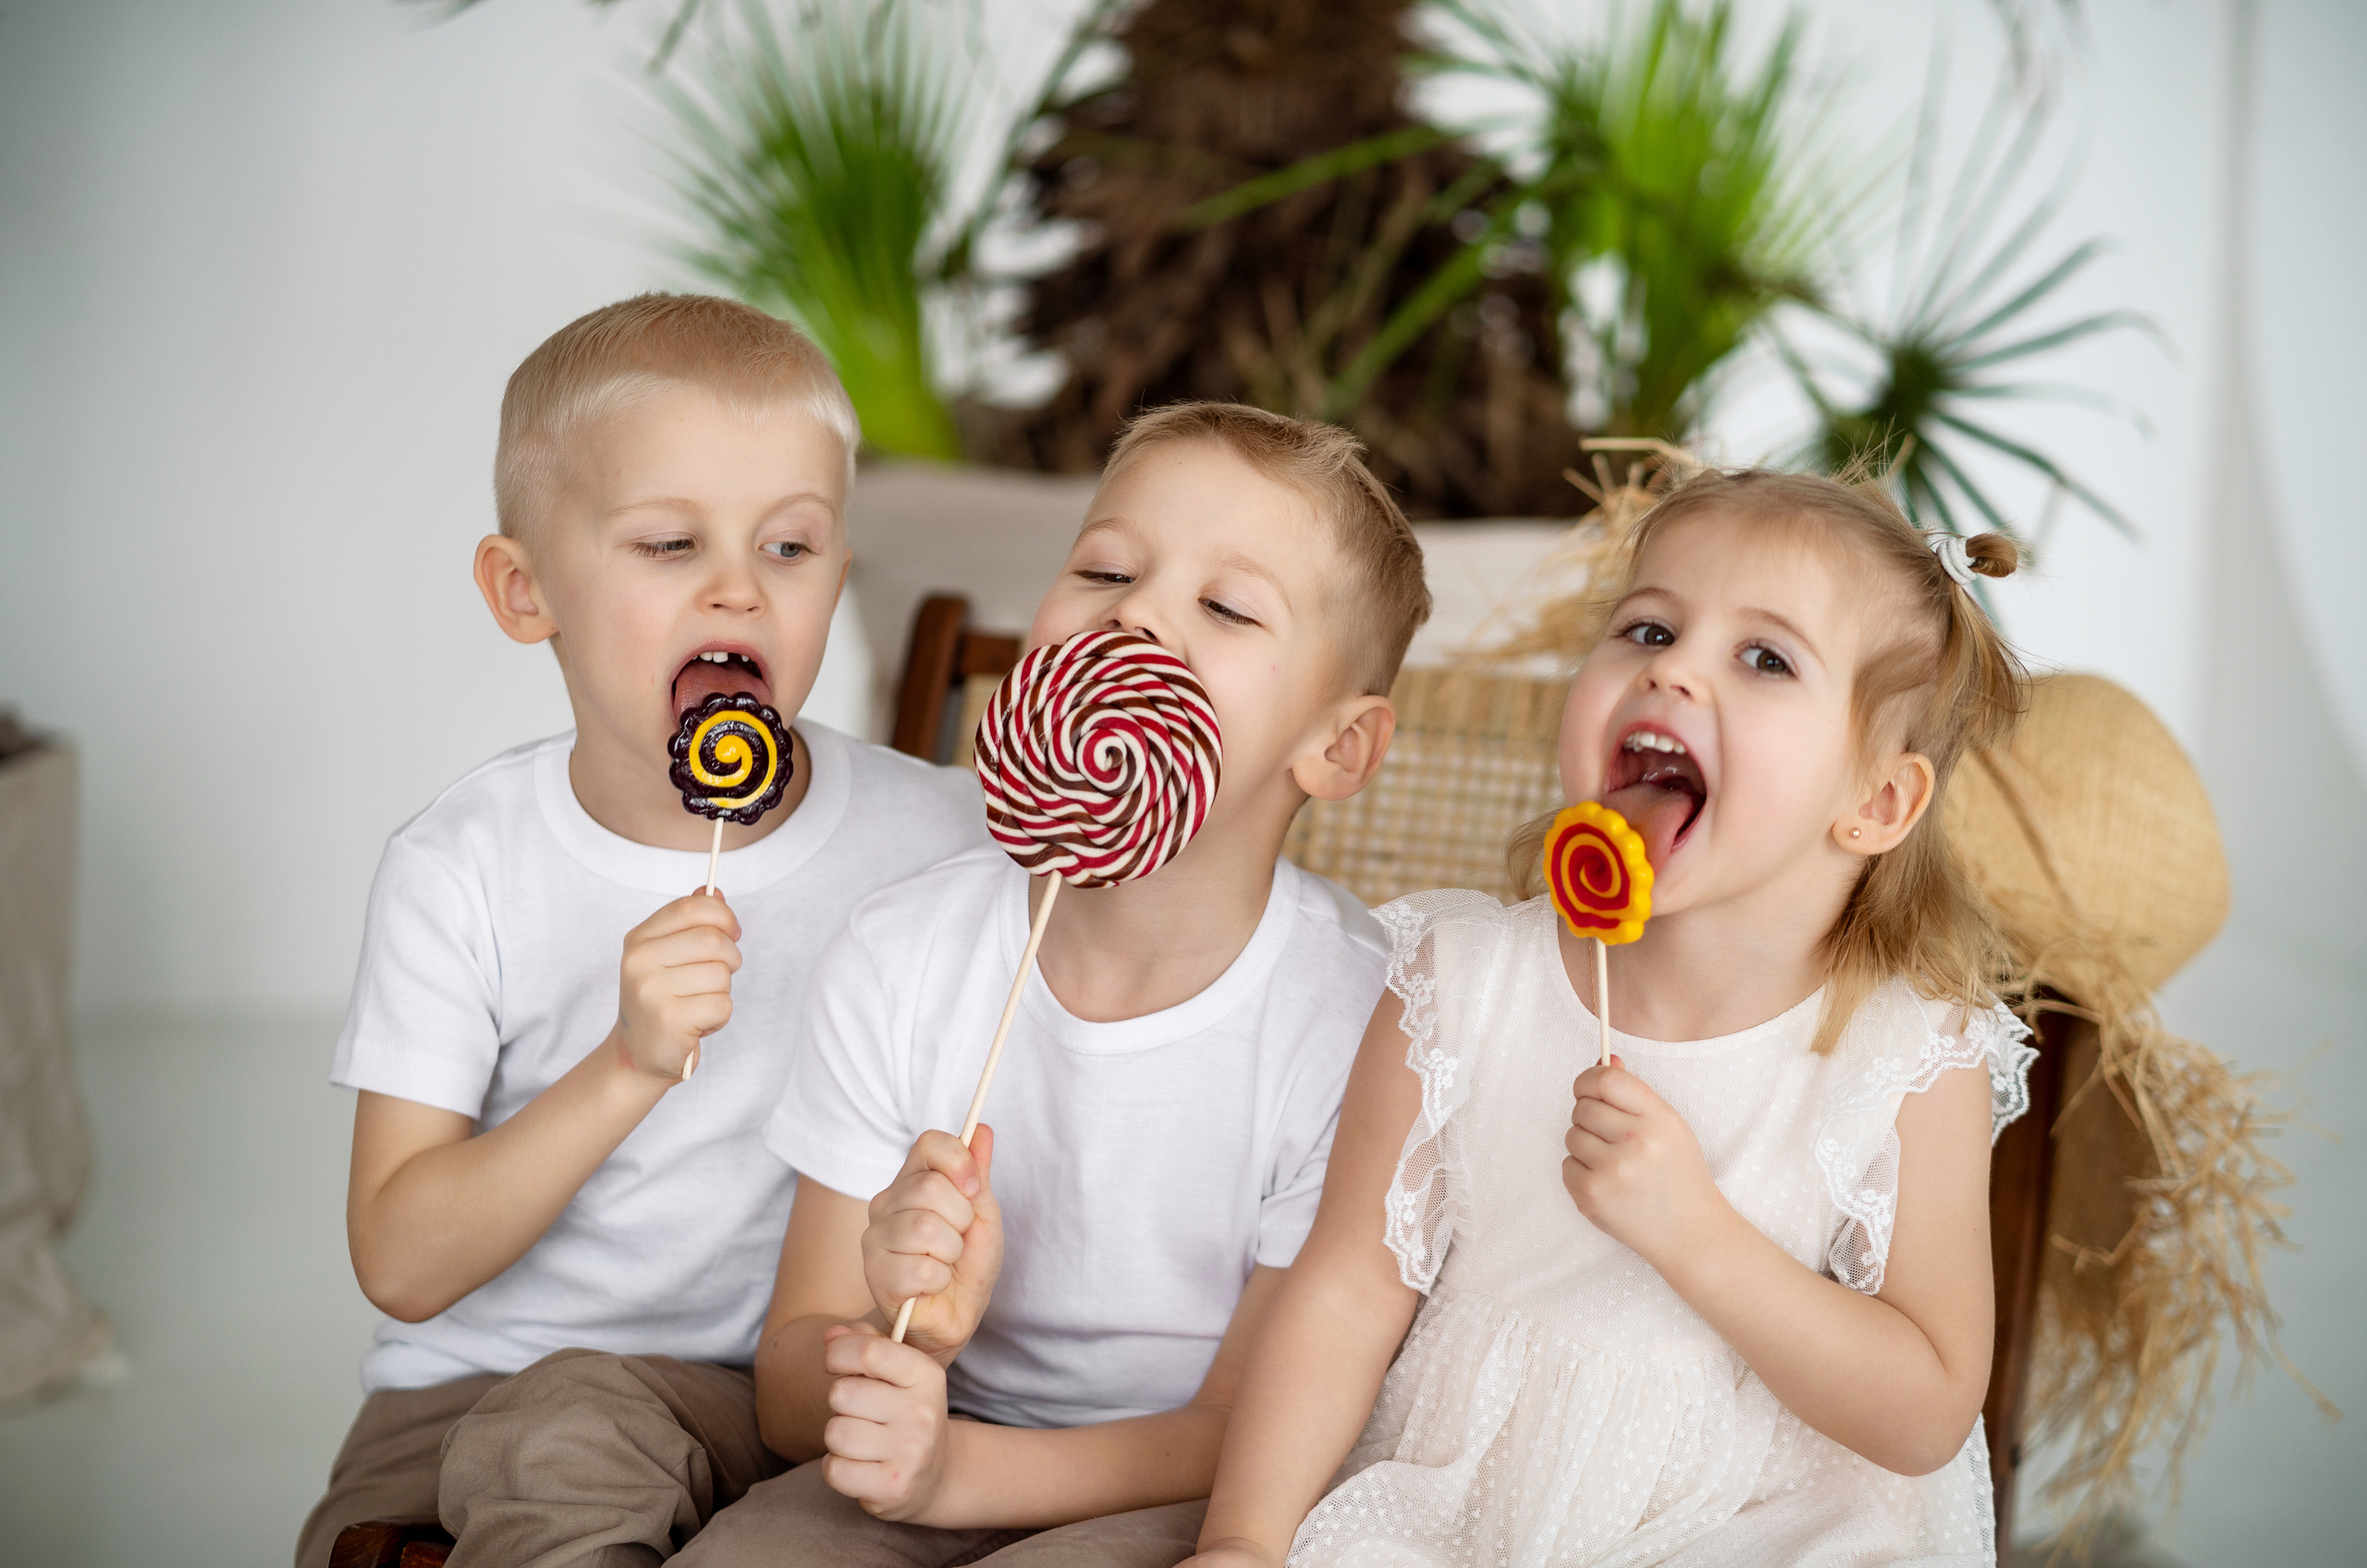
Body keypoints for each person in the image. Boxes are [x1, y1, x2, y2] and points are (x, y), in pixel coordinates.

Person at [1185, 468, 2041, 1567]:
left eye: (1764, 657)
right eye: (1647, 628)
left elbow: (1924, 1409)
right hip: (1463, 1503)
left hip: (1758, 1523)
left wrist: (1697, 1236)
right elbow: (1348, 1294)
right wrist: (1245, 1541)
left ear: (1874, 802)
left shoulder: (1906, 1055)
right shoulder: (1464, 984)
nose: (1672, 669)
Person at [676, 402, 1434, 1566]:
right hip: (926, 1442)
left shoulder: (1355, 1022)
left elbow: (1245, 1433)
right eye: (1104, 569)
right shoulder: (904, 955)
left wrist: (958, 1477)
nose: (1134, 612)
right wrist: (895, 1331)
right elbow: (791, 1385)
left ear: (1338, 748)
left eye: (1226, 606)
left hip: (1175, 1488)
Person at [296, 294, 987, 1568]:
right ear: (525, 589)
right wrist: (624, 1065)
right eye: (669, 542)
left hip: (776, 1391)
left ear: (841, 572)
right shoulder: (463, 867)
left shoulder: (942, 838)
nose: (737, 585)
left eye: (792, 547)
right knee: (557, 1447)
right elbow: (399, 1257)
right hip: (481, 1385)